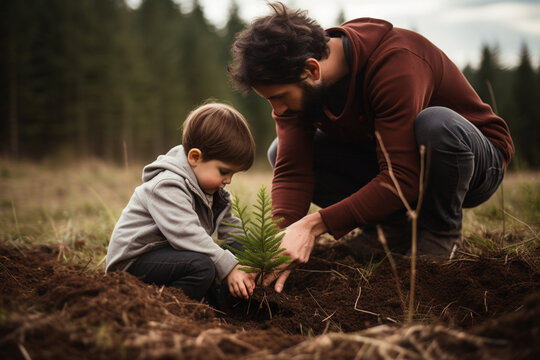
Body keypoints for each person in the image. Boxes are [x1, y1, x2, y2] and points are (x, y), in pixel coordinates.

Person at [228, 2, 514, 293]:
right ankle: (391, 231)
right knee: (279, 151)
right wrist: (274, 245)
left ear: (312, 69)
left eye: (279, 96)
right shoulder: (304, 87)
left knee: (435, 124)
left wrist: (312, 225)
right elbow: (293, 172)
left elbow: (403, 177)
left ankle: (442, 233)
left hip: (471, 161)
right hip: (389, 162)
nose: (277, 108)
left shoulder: (394, 62)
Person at [106, 102, 257, 302]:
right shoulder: (167, 185)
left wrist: (252, 258)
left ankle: (223, 306)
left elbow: (230, 228)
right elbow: (187, 234)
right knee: (203, 266)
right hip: (135, 263)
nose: (228, 180)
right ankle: (163, 307)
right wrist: (230, 267)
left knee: (236, 253)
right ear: (195, 157)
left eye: (233, 174)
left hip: (172, 257)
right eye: (224, 171)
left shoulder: (214, 191)